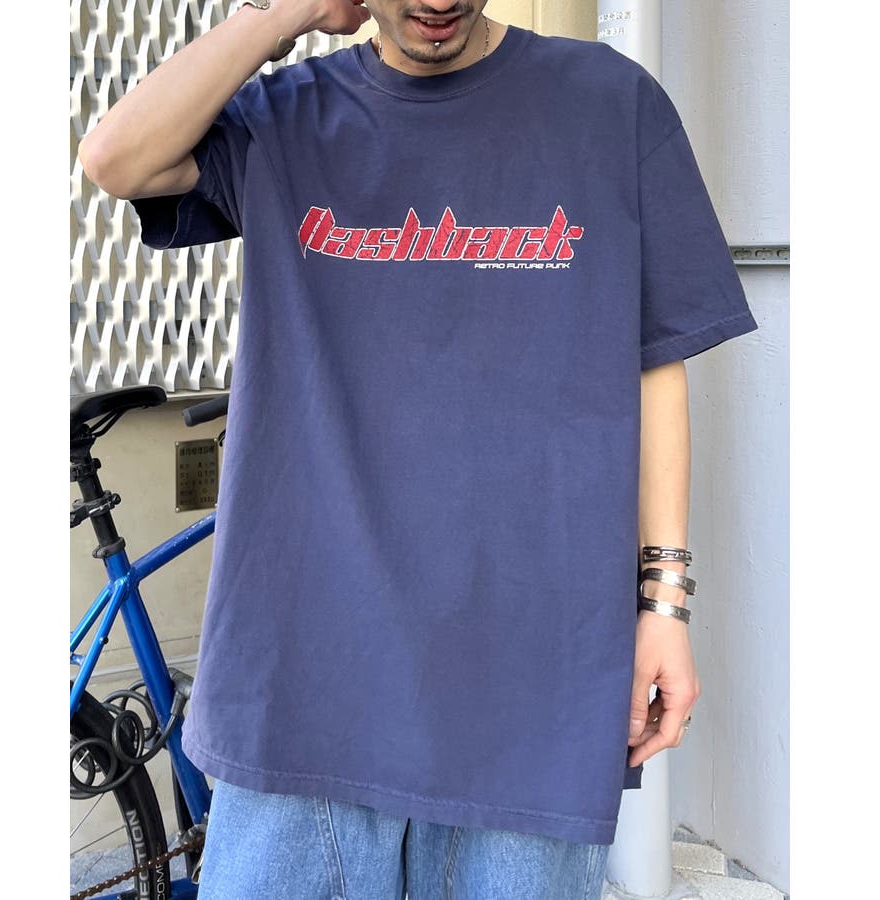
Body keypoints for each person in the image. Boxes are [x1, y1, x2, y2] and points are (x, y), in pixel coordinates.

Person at [78, 1, 758, 897]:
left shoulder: (608, 104)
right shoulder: (287, 117)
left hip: (534, 683)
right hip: (307, 677)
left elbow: (656, 361)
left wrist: (664, 602)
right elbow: (117, 159)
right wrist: (289, 13)